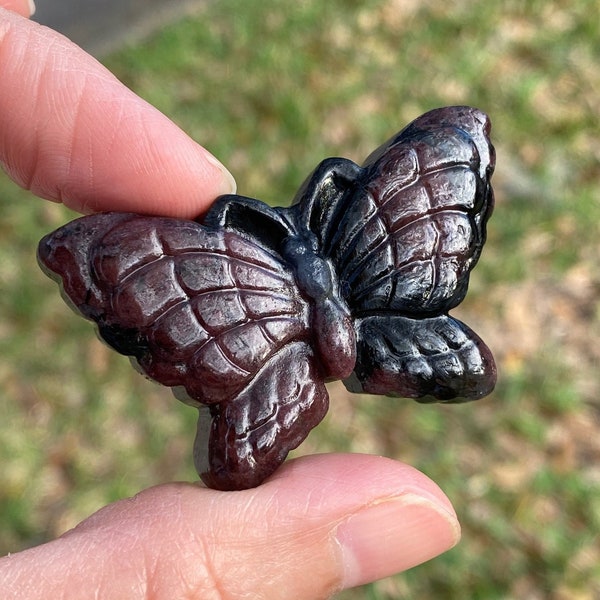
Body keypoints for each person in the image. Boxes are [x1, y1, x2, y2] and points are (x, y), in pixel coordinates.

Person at [0, 3, 460, 598]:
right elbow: (107, 258)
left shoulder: (231, 262)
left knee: (242, 453)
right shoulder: (329, 229)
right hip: (318, 345)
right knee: (236, 458)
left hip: (280, 350)